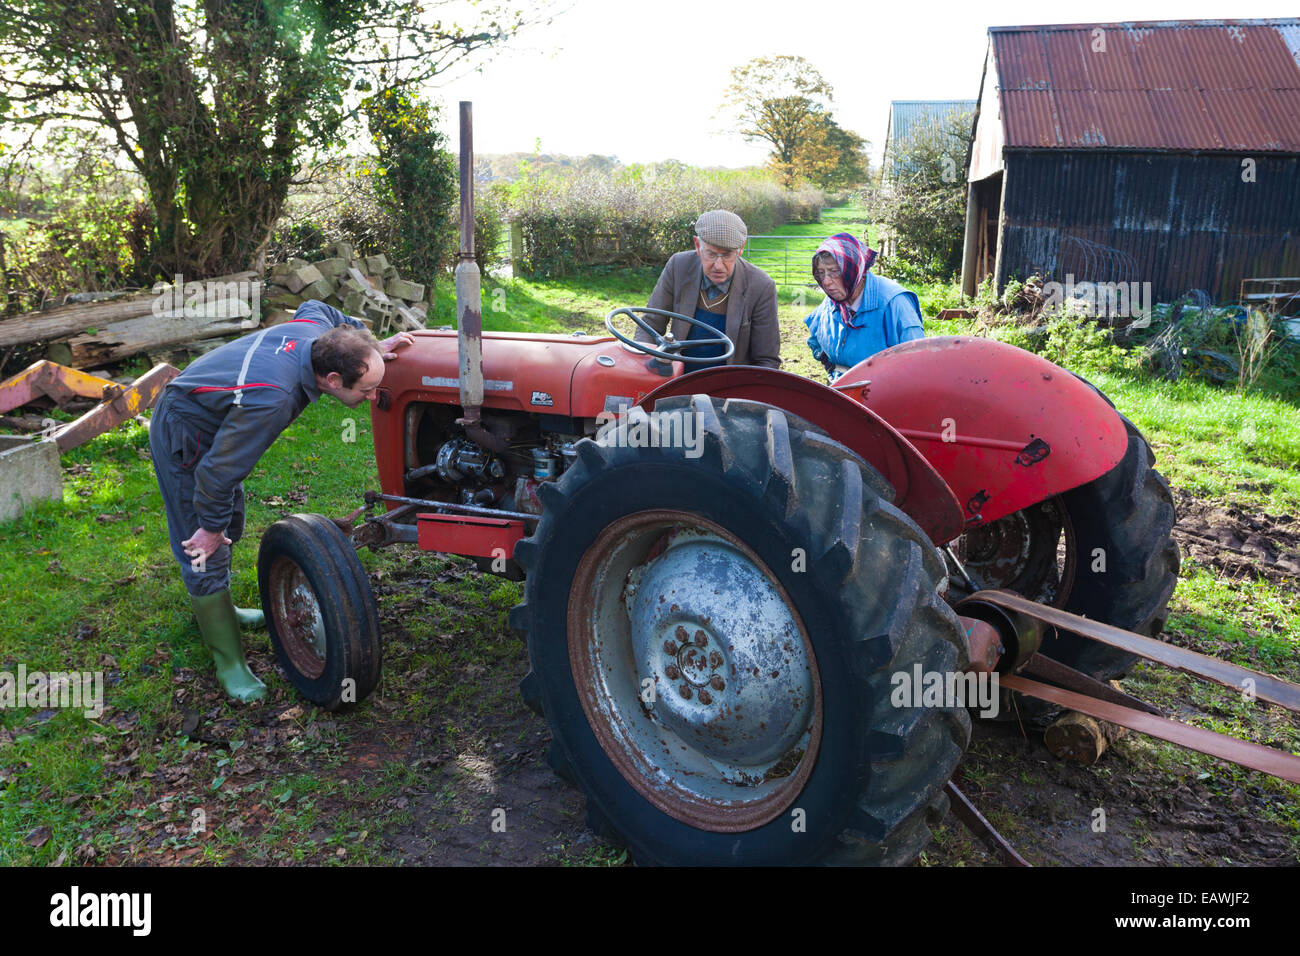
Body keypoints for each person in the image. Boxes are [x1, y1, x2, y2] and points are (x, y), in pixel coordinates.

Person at [149, 299, 413, 702]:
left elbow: (315, 305)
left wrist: (371, 345)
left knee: (230, 521)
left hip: (217, 412)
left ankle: (225, 609)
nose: (374, 397)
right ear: (332, 380)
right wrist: (210, 529)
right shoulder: (273, 397)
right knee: (204, 545)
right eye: (368, 389)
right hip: (184, 428)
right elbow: (216, 474)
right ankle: (230, 665)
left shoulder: (318, 334)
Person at [636, 209, 780, 369]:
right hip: (677, 378)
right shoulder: (678, 266)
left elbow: (767, 360)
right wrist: (640, 364)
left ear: (740, 249)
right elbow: (650, 324)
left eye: (727, 255)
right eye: (711, 254)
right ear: (698, 245)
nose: (718, 266)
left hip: (730, 385)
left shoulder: (761, 286)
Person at [803, 233, 924, 380]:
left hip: (885, 393)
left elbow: (917, 362)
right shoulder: (834, 300)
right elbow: (817, 341)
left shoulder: (894, 303)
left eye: (835, 271)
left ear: (852, 270)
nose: (826, 282)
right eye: (821, 273)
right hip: (841, 389)